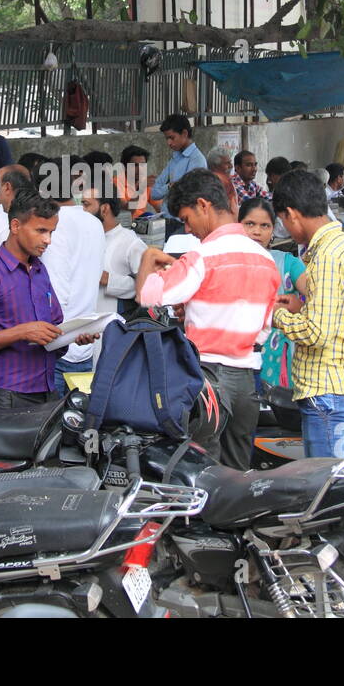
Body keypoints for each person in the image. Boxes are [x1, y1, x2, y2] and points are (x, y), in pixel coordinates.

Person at [135, 170, 278, 468]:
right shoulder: (266, 259)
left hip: (207, 379)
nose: (188, 229)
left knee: (202, 471)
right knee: (237, 474)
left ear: (203, 205)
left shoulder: (201, 255)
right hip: (246, 382)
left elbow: (149, 296)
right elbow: (264, 326)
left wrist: (148, 258)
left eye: (187, 219)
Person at [269, 171, 344, 459]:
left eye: (283, 220)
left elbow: (315, 333)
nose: (285, 227)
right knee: (339, 482)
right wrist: (304, 306)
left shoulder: (324, 258)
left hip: (323, 391)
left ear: (292, 214)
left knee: (326, 486)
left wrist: (276, 315)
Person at [0, 191, 97, 409]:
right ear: (15, 226)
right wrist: (22, 332)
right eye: (41, 231)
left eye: (51, 232)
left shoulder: (41, 271)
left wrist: (74, 335)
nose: (48, 240)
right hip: (6, 395)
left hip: (48, 391)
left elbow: (53, 329)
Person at [40, 179, 106, 392]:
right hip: (84, 339)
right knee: (79, 420)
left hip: (58, 343)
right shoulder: (94, 222)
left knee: (53, 421)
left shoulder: (54, 225)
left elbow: (56, 288)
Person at [239, 198, 305, 397]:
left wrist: (299, 305)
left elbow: (316, 293)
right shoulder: (227, 262)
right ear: (238, 225)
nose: (257, 231)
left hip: (278, 356)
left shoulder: (288, 262)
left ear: (273, 230)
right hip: (237, 354)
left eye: (264, 225)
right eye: (250, 224)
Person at [83, 192, 147, 317]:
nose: (82, 211)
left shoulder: (131, 242)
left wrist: (109, 280)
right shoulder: (82, 238)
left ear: (104, 209)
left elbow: (148, 286)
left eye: (86, 205)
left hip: (113, 326)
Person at [149, 114, 207, 217]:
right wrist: (170, 186)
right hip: (167, 219)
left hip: (183, 222)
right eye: (166, 138)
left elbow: (190, 195)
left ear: (184, 133)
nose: (169, 143)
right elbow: (154, 193)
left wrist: (171, 187)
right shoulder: (175, 158)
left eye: (172, 138)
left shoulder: (197, 160)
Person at [114, 145, 151, 218]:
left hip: (141, 223)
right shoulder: (115, 183)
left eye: (143, 165)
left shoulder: (145, 181)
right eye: (135, 165)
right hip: (125, 224)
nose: (140, 169)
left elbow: (160, 206)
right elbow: (128, 211)